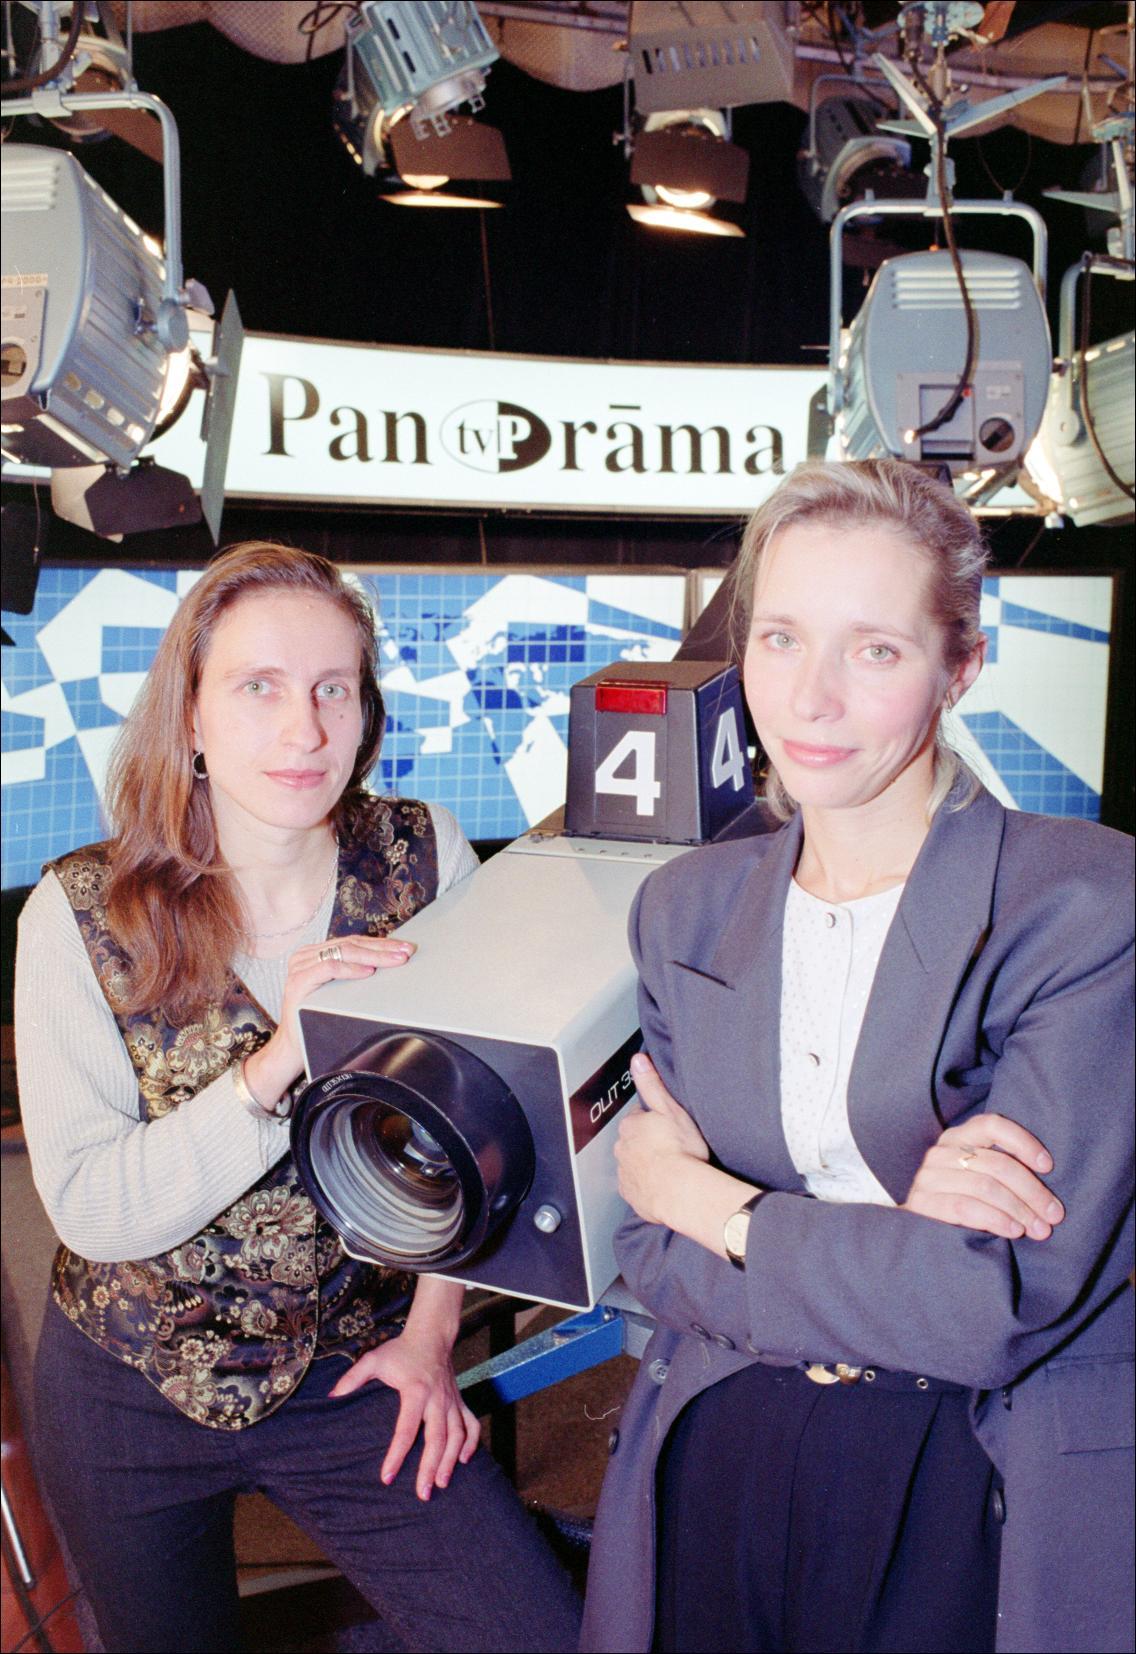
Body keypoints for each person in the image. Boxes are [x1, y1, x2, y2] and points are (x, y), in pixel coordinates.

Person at [581, 460, 1134, 1654]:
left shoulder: (1080, 901)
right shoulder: (683, 910)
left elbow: (990, 1306)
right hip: (722, 1437)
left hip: (969, 1459)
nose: (810, 698)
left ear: (959, 665)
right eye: (779, 638)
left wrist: (715, 1204)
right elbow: (644, 1251)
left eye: (872, 650)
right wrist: (896, 1238)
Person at [15, 542, 582, 1654]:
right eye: (259, 687)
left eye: (333, 688)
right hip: (128, 1383)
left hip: (353, 1362)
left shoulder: (421, 859)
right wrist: (280, 1060)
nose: (306, 729)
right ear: (189, 715)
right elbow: (93, 1209)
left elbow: (492, 1129)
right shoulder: (81, 913)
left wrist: (431, 1337)